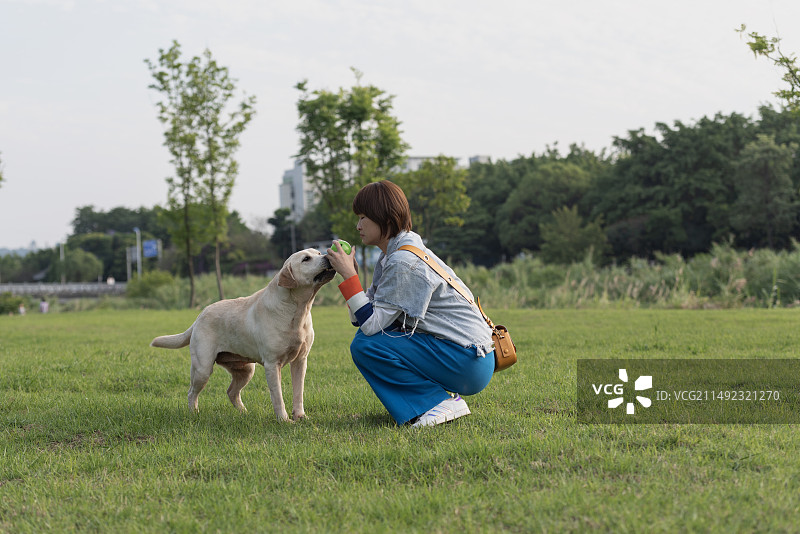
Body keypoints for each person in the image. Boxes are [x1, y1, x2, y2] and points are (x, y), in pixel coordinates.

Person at [326, 180, 494, 427]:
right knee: (369, 340)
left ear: (384, 217)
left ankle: (437, 404)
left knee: (366, 345)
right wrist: (352, 277)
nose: (358, 225)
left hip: (468, 360)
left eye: (363, 217)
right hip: (468, 356)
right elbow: (361, 318)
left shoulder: (402, 261)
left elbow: (370, 326)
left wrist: (350, 279)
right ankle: (434, 401)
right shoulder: (392, 255)